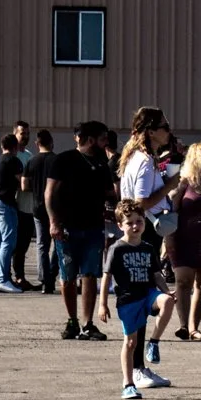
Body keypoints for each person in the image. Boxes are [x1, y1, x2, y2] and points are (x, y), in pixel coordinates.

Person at [117, 107, 179, 365]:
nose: (168, 131)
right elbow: (141, 203)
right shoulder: (144, 161)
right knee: (142, 299)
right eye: (164, 127)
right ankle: (138, 367)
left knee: (142, 297)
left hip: (138, 232)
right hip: (145, 232)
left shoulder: (138, 158)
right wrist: (170, 185)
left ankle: (140, 365)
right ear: (151, 131)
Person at [45, 121, 113, 341]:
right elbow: (49, 193)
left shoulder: (102, 164)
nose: (106, 143)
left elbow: (109, 193)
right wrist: (54, 222)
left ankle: (88, 324)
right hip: (66, 228)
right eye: (103, 139)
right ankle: (72, 320)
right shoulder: (63, 160)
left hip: (94, 228)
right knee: (68, 276)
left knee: (90, 275)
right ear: (91, 140)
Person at [102, 199, 170, 395]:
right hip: (128, 300)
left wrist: (166, 291)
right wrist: (103, 304)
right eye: (129, 222)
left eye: (139, 221)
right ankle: (128, 384)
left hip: (147, 294)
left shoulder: (148, 248)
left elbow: (157, 275)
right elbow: (107, 277)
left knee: (166, 301)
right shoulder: (117, 248)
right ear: (120, 225)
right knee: (130, 343)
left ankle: (154, 342)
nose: (135, 226)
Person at [166, 142, 201, 341]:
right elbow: (170, 210)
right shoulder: (183, 182)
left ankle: (194, 328)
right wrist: (167, 239)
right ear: (197, 159)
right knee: (183, 281)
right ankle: (183, 326)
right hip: (183, 239)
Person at [0, 133, 24, 292]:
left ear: (2, 146)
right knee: (8, 242)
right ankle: (3, 279)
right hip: (4, 204)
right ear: (15, 147)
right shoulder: (13, 160)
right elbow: (22, 183)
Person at [18, 129, 54, 290]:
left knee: (42, 244)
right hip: (55, 208)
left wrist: (37, 187)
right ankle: (53, 274)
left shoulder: (31, 161)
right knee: (58, 244)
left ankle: (44, 279)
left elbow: (24, 186)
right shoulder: (57, 160)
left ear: (37, 143)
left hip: (37, 207)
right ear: (52, 143)